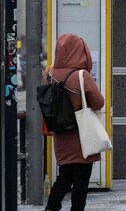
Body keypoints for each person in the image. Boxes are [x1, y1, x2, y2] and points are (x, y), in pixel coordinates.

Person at [45, 34, 104, 211]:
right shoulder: (81, 75)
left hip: (61, 136)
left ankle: (51, 207)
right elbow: (98, 103)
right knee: (81, 180)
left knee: (64, 177)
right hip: (81, 136)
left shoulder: (50, 74)